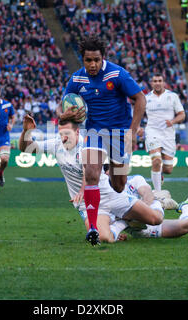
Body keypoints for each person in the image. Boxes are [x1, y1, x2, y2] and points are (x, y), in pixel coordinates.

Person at [19, 116, 163, 245]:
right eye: (61, 134)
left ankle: (156, 199)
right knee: (104, 238)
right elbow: (27, 148)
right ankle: (123, 223)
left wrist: (82, 190)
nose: (63, 138)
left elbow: (87, 173)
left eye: (67, 134)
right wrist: (26, 131)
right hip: (85, 204)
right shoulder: (57, 144)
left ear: (77, 132)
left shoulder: (86, 146)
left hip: (109, 195)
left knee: (156, 219)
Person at [59, 35, 146, 245]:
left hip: (118, 133)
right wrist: (66, 114)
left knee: (118, 185)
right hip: (95, 132)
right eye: (88, 60)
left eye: (96, 60)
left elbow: (140, 98)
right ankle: (93, 228)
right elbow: (63, 107)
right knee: (91, 174)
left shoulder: (117, 73)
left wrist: (132, 132)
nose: (93, 64)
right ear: (83, 59)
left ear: (102, 58)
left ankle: (133, 186)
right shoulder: (77, 79)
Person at [103, 164, 188, 239]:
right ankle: (180, 205)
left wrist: (141, 213)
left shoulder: (134, 179)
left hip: (146, 214)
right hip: (137, 229)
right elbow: (103, 222)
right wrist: (117, 234)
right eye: (106, 169)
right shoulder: (102, 193)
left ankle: (181, 206)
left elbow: (146, 192)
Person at [140, 74, 185, 191]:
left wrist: (173, 121)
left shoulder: (173, 96)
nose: (157, 83)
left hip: (168, 135)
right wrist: (138, 128)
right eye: (155, 81)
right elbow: (138, 114)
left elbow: (182, 114)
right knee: (156, 160)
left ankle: (160, 174)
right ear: (151, 83)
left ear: (164, 82)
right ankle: (158, 193)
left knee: (168, 169)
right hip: (152, 132)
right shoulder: (146, 98)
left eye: (160, 81)